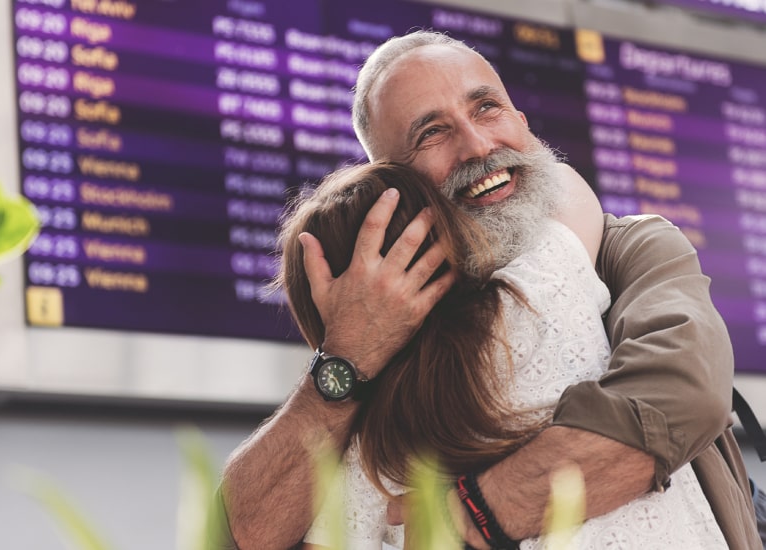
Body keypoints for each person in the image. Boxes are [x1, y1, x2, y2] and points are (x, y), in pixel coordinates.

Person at [219, 31, 759, 549]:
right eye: (432, 132)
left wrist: (470, 514)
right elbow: (242, 533)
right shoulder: (374, 351)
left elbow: (682, 397)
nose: (478, 146)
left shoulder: (628, 246)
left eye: (487, 109)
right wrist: (346, 358)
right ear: (391, 181)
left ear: (523, 123)